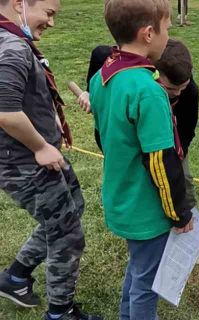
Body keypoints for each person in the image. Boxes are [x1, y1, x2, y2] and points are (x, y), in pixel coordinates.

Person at [88, 0, 195, 318]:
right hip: (145, 209)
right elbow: (161, 163)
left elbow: (103, 137)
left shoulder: (103, 76)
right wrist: (179, 213)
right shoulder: (148, 92)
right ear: (149, 33)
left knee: (139, 270)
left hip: (120, 196)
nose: (169, 35)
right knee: (147, 285)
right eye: (168, 28)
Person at [0, 0, 102, 319]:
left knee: (72, 208)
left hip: (35, 154)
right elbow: (5, 111)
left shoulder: (14, 41)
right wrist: (41, 145)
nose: (51, 22)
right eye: (49, 13)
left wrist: (48, 120)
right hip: (25, 160)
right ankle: (60, 313)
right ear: (20, 4)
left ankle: (15, 277)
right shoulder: (12, 48)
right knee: (67, 234)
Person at [79, 38, 199, 210]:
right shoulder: (137, 79)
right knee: (139, 180)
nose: (178, 92)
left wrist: (175, 160)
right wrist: (89, 91)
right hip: (136, 139)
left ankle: (189, 217)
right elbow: (99, 53)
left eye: (183, 87)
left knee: (182, 179)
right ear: (152, 71)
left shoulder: (190, 93)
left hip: (172, 141)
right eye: (171, 89)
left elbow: (187, 132)